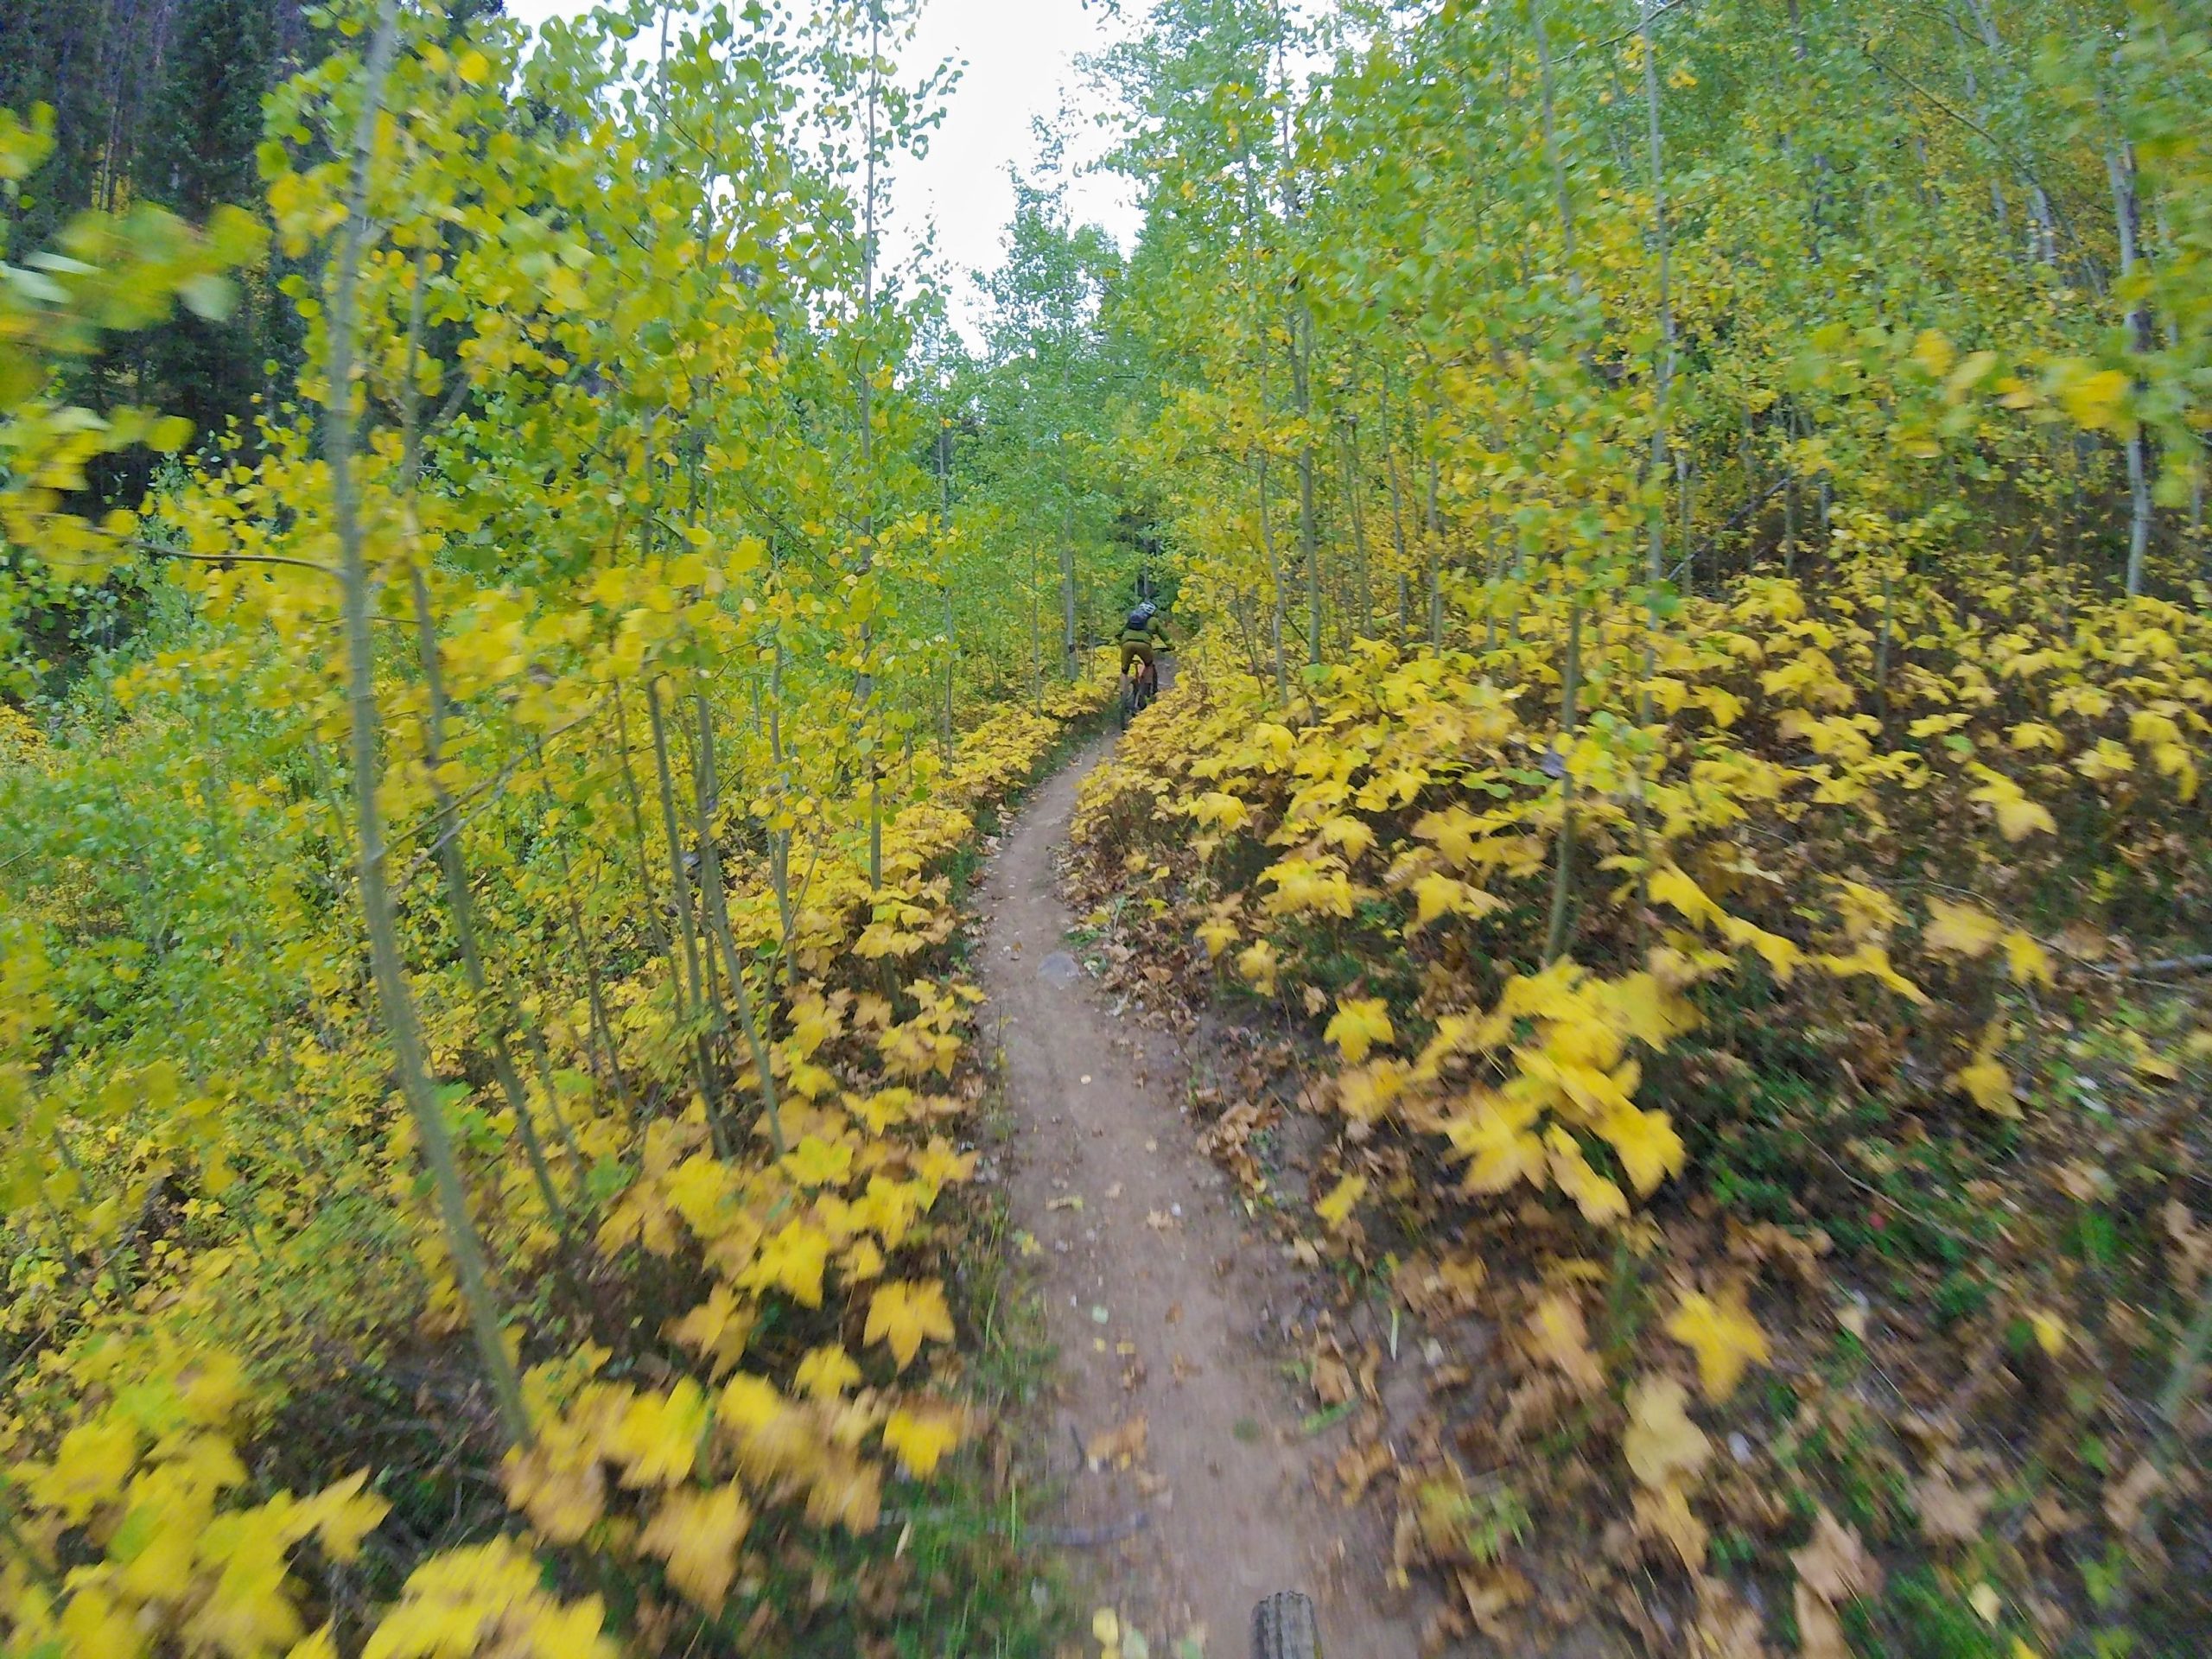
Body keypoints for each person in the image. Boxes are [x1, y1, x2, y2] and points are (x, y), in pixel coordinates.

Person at [1118, 601, 1174, 700]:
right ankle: (1147, 692)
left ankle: (1122, 695)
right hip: (1144, 645)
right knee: (1148, 665)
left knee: (1124, 670)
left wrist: (1122, 642)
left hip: (1126, 644)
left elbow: (1119, 634)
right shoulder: (1153, 620)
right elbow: (1164, 636)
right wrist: (1171, 647)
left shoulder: (1132, 618)